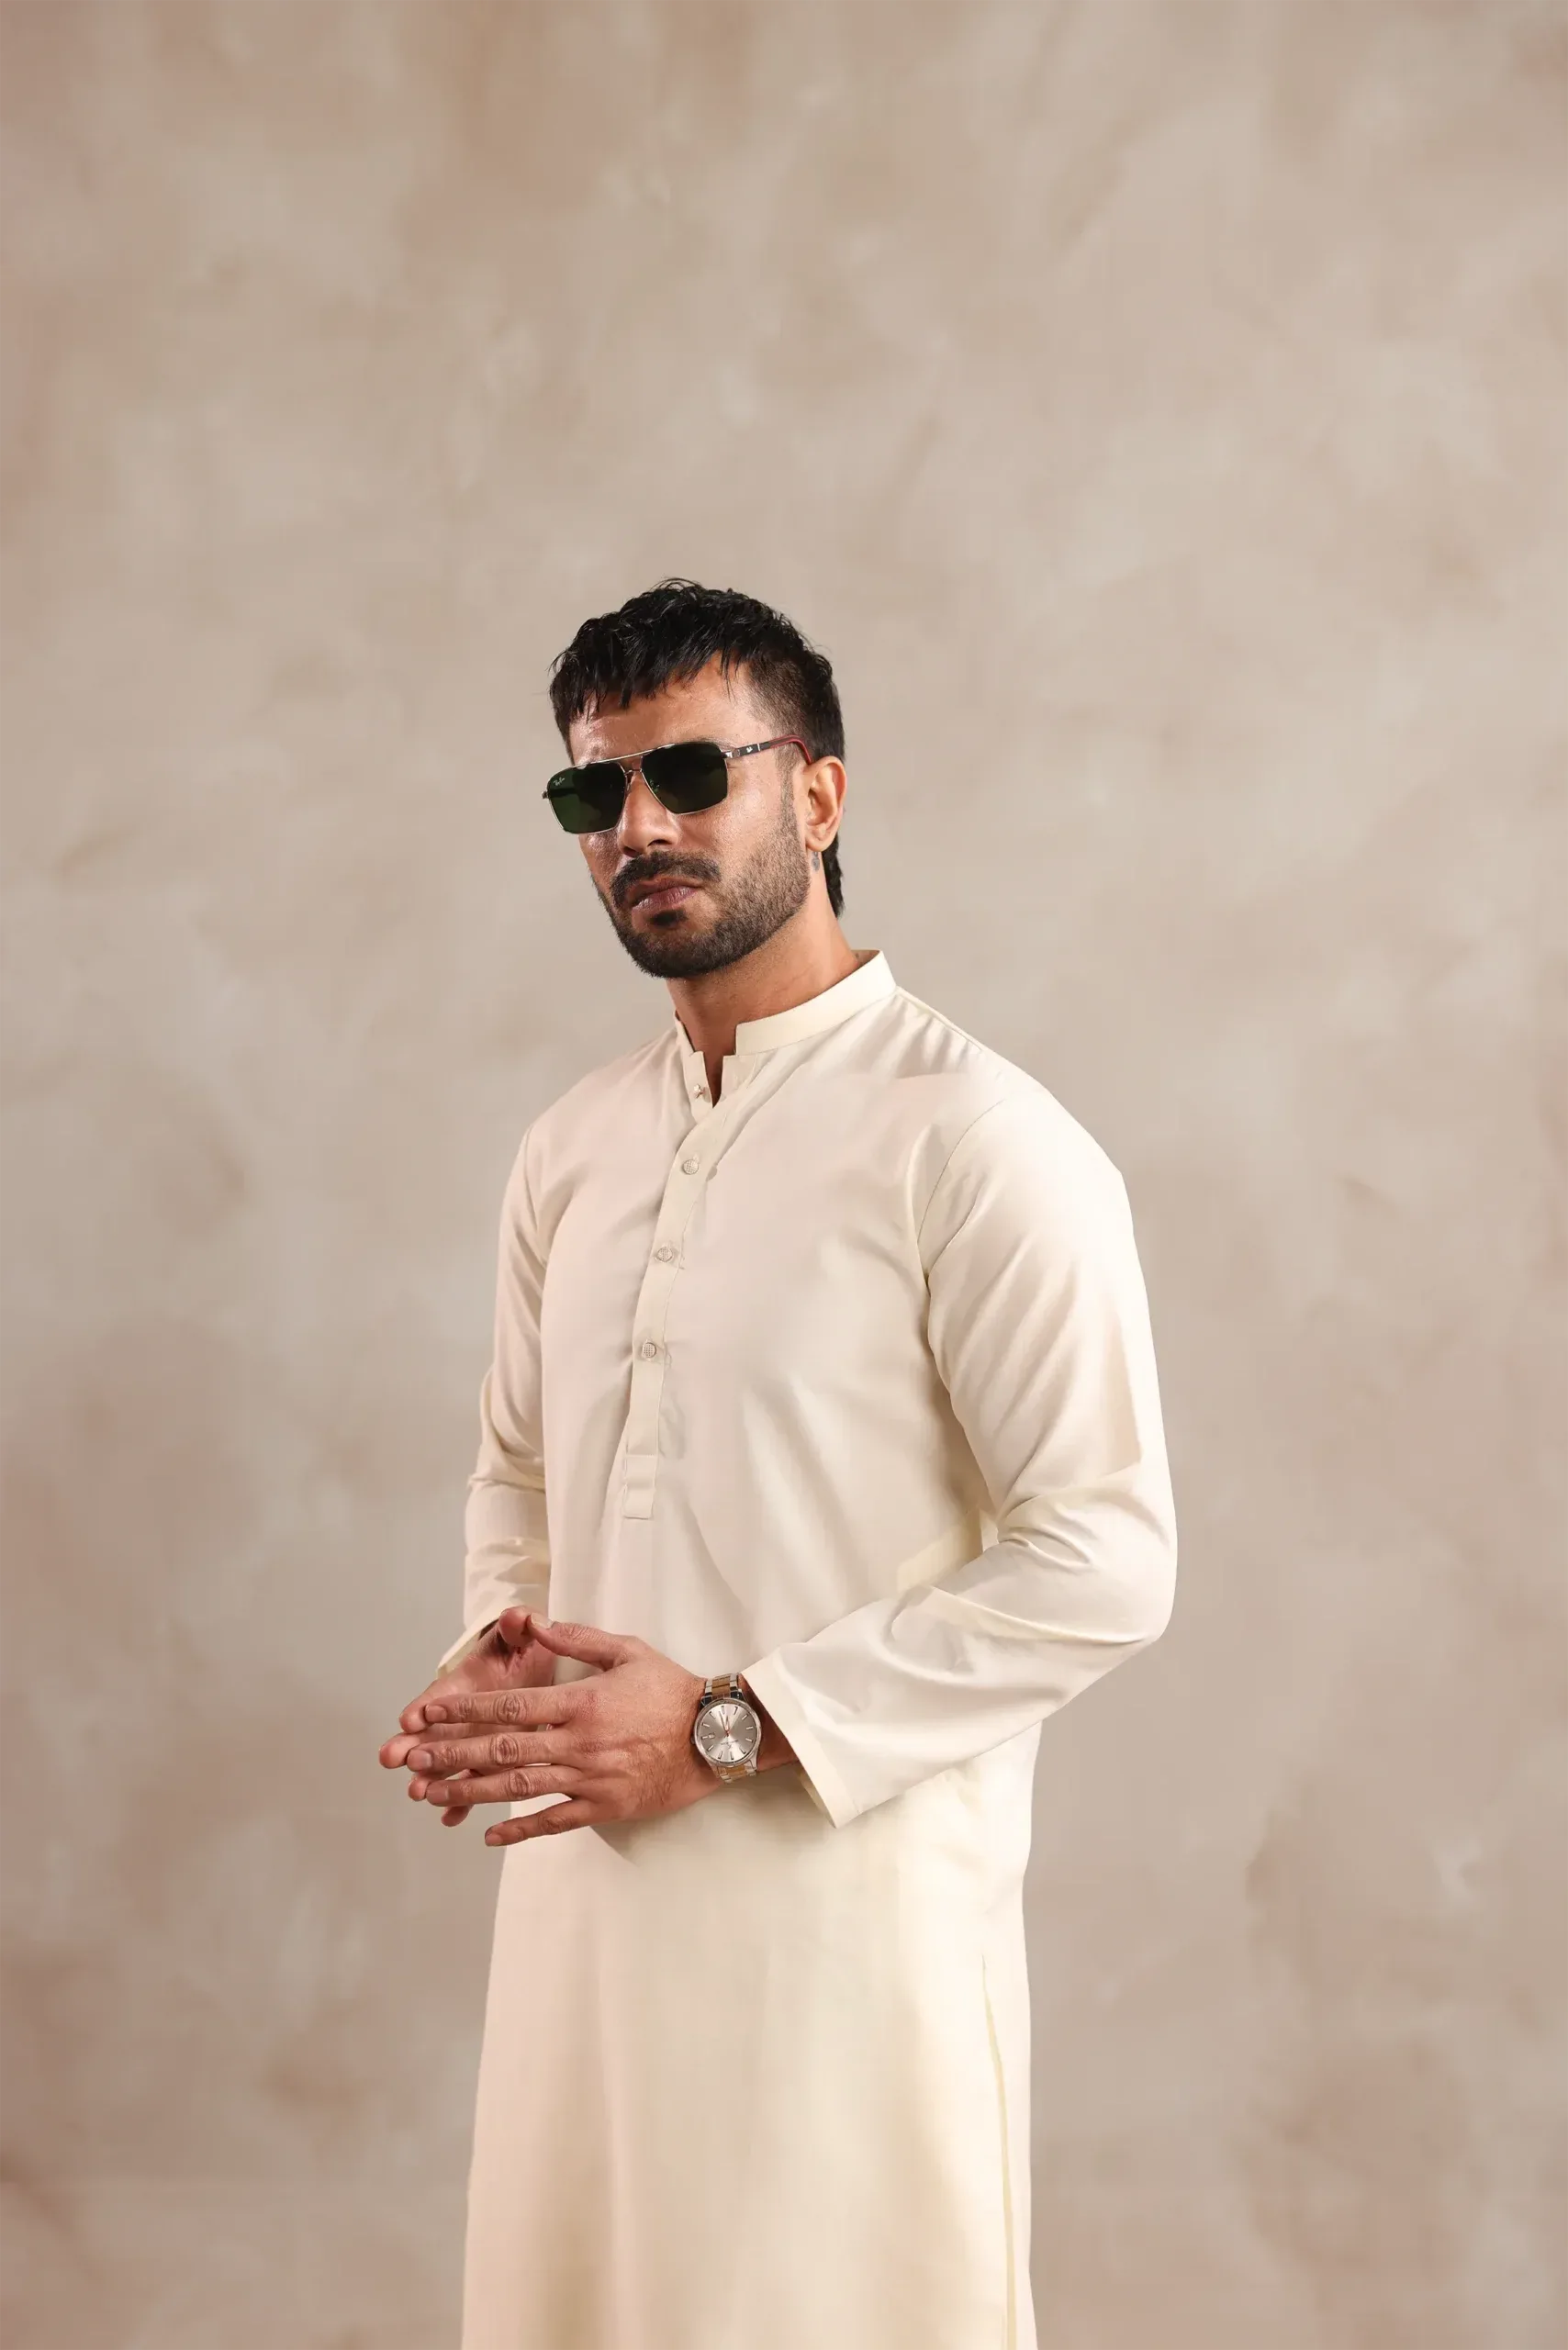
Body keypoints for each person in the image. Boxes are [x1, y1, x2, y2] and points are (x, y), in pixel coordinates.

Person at [378, 578, 1178, 2350]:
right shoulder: (573, 1149)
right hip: (583, 1926)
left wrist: (726, 1727)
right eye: (594, 791)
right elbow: (517, 1469)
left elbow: (1108, 1557)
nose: (639, 827)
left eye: (690, 773)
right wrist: (504, 1655)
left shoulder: (979, 1142)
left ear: (818, 796)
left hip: (848, 1957)